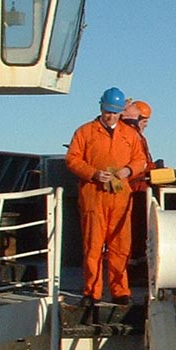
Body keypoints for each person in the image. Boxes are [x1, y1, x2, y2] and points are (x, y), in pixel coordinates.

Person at [65, 87, 146, 307]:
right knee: (93, 246)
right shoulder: (85, 132)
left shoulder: (130, 135)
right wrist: (93, 173)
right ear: (101, 107)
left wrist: (127, 171)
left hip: (120, 197)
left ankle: (120, 291)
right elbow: (72, 159)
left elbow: (140, 160)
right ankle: (92, 292)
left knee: (120, 246)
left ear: (121, 112)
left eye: (114, 112)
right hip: (93, 196)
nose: (110, 115)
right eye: (106, 110)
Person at [121, 100, 155, 279]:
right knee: (133, 230)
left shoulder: (135, 135)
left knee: (140, 229)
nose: (145, 127)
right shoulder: (130, 135)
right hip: (133, 188)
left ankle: (137, 266)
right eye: (144, 123)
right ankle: (133, 269)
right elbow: (134, 163)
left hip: (139, 189)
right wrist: (151, 169)